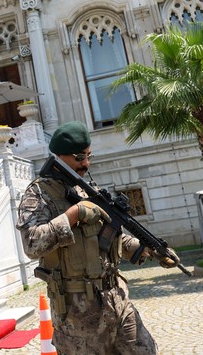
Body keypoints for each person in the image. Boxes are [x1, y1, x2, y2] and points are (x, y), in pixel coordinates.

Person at [16, 121, 178, 354]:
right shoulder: (38, 194)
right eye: (79, 157)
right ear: (59, 157)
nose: (86, 163)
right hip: (77, 314)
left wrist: (148, 249)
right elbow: (32, 244)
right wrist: (73, 214)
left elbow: (113, 236)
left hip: (117, 301)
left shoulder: (86, 189)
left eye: (89, 156)